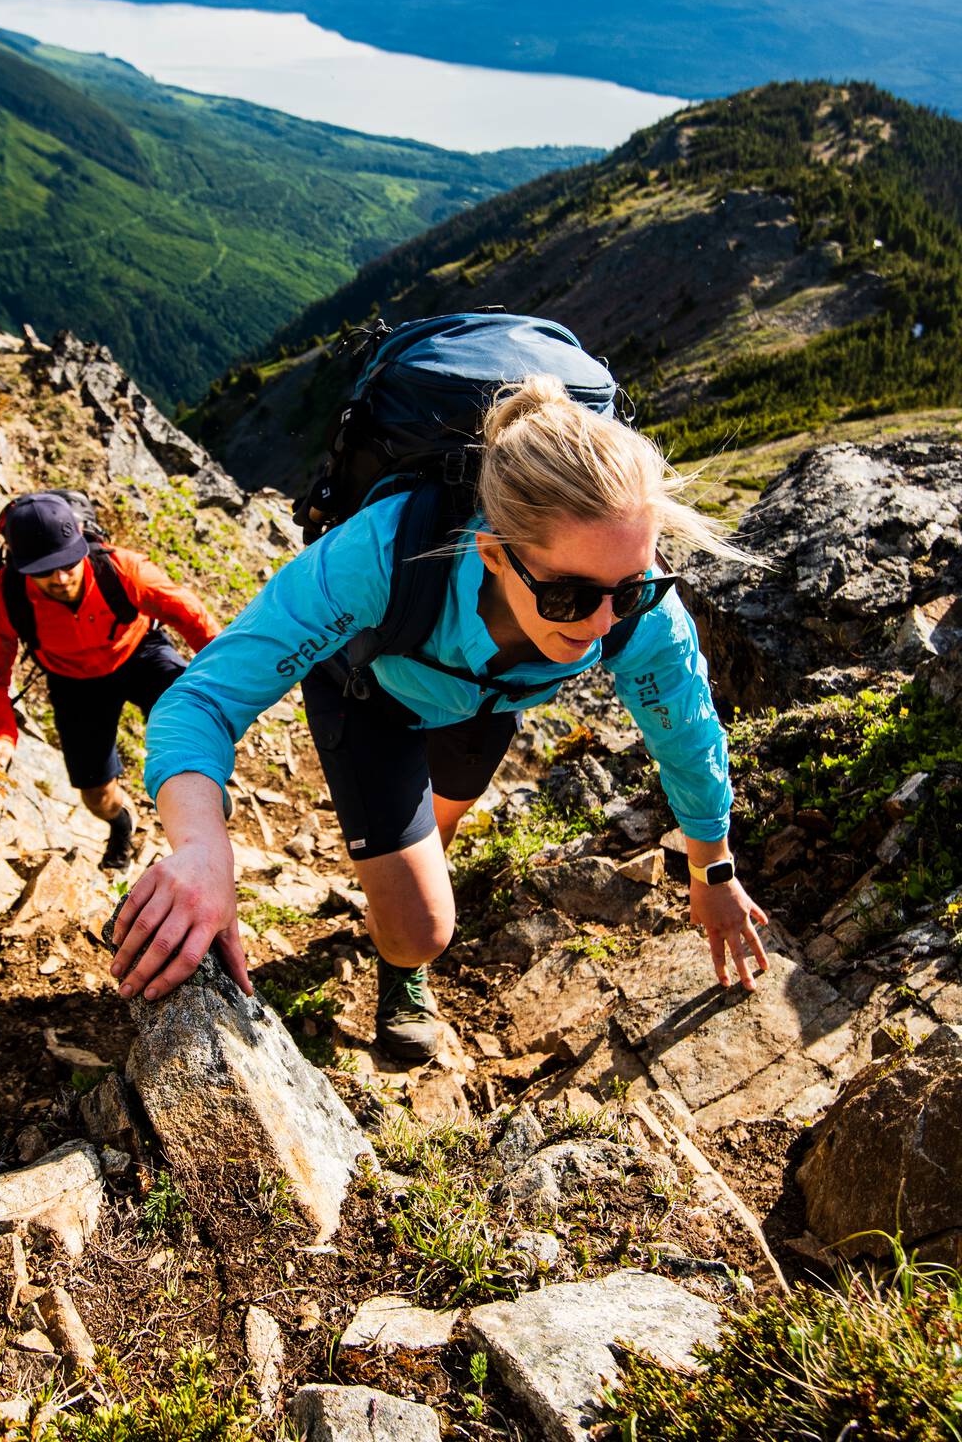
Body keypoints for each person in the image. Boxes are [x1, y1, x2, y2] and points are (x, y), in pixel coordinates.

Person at [110, 379, 769, 1060]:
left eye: (629, 589)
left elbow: (686, 730)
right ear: (491, 550)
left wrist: (712, 866)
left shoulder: (640, 609)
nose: (606, 625)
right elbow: (202, 698)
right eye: (570, 596)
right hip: (371, 695)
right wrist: (201, 847)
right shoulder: (380, 555)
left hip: (490, 702)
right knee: (422, 929)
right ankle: (405, 952)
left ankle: (403, 893)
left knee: (441, 825)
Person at [0, 492, 221, 872]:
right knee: (95, 794)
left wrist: (224, 680)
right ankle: (122, 825)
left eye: (69, 561)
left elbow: (193, 618)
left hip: (139, 653)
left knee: (189, 714)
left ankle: (203, 789)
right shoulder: (3, 597)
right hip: (73, 682)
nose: (62, 577)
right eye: (45, 569)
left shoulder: (122, 570)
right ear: (20, 566)